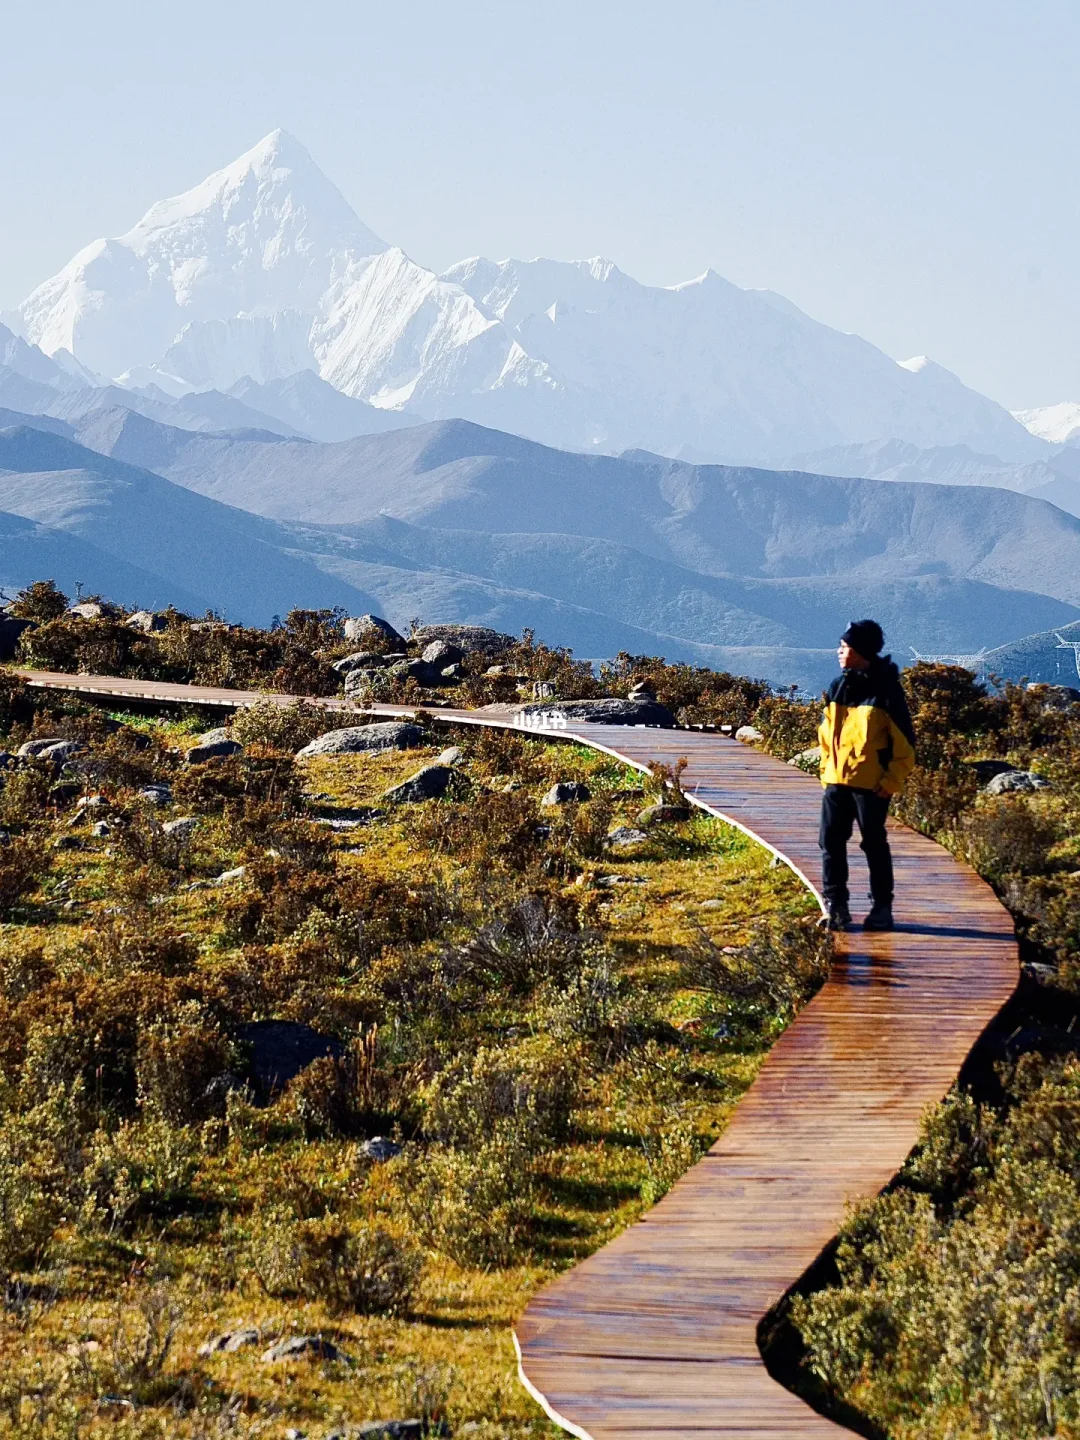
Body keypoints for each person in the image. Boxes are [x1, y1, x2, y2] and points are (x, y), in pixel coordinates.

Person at [817, 619, 916, 931]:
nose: (839, 652)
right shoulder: (837, 687)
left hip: (871, 787)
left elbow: (905, 747)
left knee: (873, 843)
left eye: (844, 647)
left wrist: (889, 783)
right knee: (830, 842)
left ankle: (881, 908)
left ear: (860, 651)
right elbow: (825, 734)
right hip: (836, 782)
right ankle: (837, 907)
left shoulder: (887, 692)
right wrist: (826, 773)